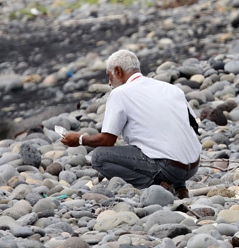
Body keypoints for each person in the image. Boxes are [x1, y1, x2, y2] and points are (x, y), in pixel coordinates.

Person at [60, 49, 201, 198]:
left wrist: (80, 139)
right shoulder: (171, 89)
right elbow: (193, 125)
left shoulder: (120, 93)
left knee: (99, 157)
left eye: (109, 76)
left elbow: (107, 140)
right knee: (166, 139)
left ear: (118, 72)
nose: (109, 83)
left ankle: (158, 186)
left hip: (169, 168)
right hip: (193, 165)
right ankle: (180, 188)